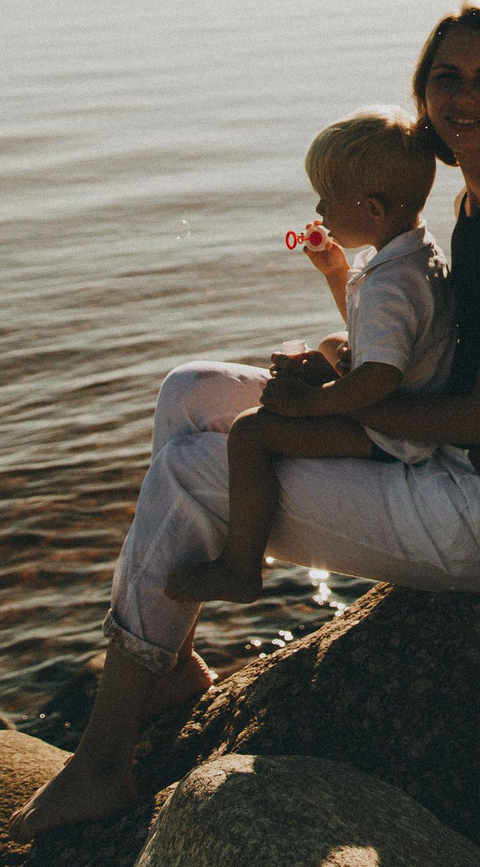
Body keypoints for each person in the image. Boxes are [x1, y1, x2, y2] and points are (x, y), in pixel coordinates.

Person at [11, 1, 480, 841]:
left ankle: (102, 760)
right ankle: (169, 663)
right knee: (189, 392)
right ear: (422, 89)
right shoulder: (475, 199)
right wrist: (342, 353)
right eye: (445, 77)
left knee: (195, 469)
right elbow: (430, 351)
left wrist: (317, 404)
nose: (462, 97)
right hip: (445, 463)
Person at [163, 106, 456, 606]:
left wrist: (312, 403)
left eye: (328, 199)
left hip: (393, 436)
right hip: (404, 408)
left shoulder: (390, 284)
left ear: (373, 210)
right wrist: (336, 275)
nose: (319, 210)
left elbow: (380, 378)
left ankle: (240, 568)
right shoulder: (411, 255)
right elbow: (379, 339)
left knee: (252, 434)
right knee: (329, 346)